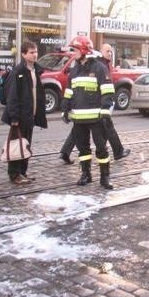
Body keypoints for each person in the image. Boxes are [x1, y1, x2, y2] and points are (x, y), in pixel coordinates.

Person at [59, 44, 131, 164]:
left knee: (79, 129)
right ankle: (117, 152)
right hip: (95, 106)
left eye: (111, 52)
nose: (110, 53)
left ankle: (65, 151)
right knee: (106, 127)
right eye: (107, 51)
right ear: (100, 51)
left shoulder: (100, 63)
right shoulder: (97, 64)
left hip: (90, 107)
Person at [61, 36, 115, 189]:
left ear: (84, 50)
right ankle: (86, 174)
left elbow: (108, 91)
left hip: (96, 118)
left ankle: (105, 177)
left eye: (75, 50)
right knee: (83, 149)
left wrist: (105, 110)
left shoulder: (99, 67)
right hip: (79, 118)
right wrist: (65, 108)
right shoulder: (75, 69)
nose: (74, 53)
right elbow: (69, 91)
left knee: (101, 148)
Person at [1, 41, 48, 185]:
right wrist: (14, 117)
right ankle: (14, 174)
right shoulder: (18, 72)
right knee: (17, 144)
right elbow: (12, 96)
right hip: (20, 116)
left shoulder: (35, 70)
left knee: (26, 144)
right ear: (23, 54)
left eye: (36, 52)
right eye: (31, 52)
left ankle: (23, 171)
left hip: (30, 115)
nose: (35, 55)